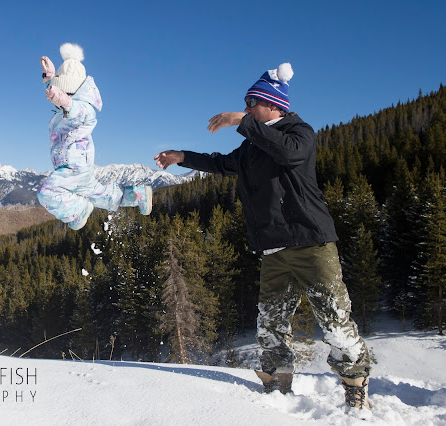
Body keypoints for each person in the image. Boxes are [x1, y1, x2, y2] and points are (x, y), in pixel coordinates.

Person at [154, 63, 372, 412]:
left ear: (271, 104)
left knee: (334, 318)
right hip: (273, 248)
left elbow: (288, 153)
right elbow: (224, 163)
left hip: (311, 243)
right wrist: (183, 157)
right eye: (245, 103)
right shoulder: (253, 146)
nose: (246, 107)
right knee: (270, 321)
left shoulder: (298, 132)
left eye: (250, 102)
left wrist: (241, 122)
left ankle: (354, 385)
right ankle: (277, 382)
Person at [38, 43, 152, 230]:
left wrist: (64, 100)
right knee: (105, 196)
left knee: (48, 193)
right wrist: (50, 79)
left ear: (70, 92)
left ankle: (78, 212)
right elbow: (64, 94)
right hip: (78, 166)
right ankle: (138, 195)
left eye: (61, 91)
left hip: (74, 167)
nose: (55, 97)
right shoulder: (65, 104)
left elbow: (77, 111)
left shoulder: (83, 108)